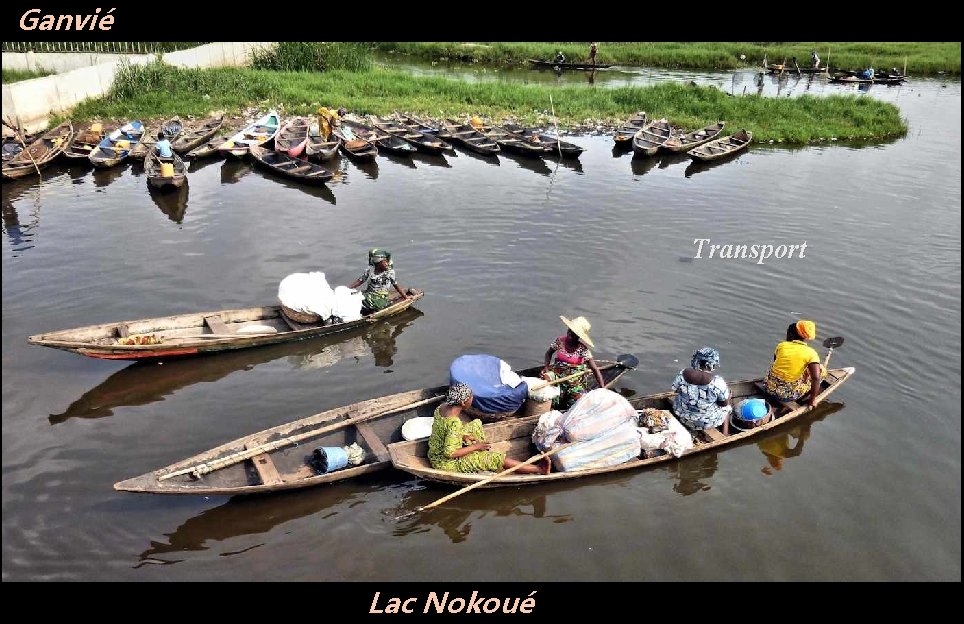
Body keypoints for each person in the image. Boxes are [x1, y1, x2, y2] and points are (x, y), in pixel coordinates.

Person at [428, 383, 551, 475]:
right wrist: (476, 447)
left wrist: (463, 436)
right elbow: (450, 453)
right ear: (463, 402)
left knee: (475, 424)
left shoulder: (441, 407)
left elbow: (444, 431)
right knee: (496, 458)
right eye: (471, 397)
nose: (472, 399)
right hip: (446, 464)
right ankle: (539, 469)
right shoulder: (453, 422)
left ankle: (478, 454)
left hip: (434, 452)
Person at [542, 315, 606, 410]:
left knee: (578, 401)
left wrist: (603, 388)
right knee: (545, 383)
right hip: (558, 373)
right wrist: (546, 368)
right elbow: (548, 353)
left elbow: (594, 369)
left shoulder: (582, 349)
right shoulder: (560, 341)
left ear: (579, 336)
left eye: (574, 334)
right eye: (570, 331)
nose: (570, 335)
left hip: (574, 380)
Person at [764, 320, 825, 408]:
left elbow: (776, 363)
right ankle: (809, 397)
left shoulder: (781, 345)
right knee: (821, 372)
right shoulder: (811, 353)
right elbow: (816, 378)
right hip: (785, 396)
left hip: (768, 387)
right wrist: (812, 400)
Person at [671, 347, 732, 435]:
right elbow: (723, 404)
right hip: (705, 423)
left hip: (682, 416)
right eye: (714, 364)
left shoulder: (683, 373)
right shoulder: (717, 382)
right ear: (709, 364)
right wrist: (729, 398)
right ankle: (725, 433)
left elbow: (675, 390)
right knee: (727, 407)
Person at [348, 248, 409, 314]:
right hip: (369, 294)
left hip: (379, 299)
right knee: (350, 295)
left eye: (386, 261)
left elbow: (396, 285)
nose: (386, 264)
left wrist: (405, 297)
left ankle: (372, 308)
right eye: (384, 262)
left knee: (357, 298)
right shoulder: (371, 270)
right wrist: (346, 289)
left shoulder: (389, 272)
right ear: (378, 263)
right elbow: (360, 281)